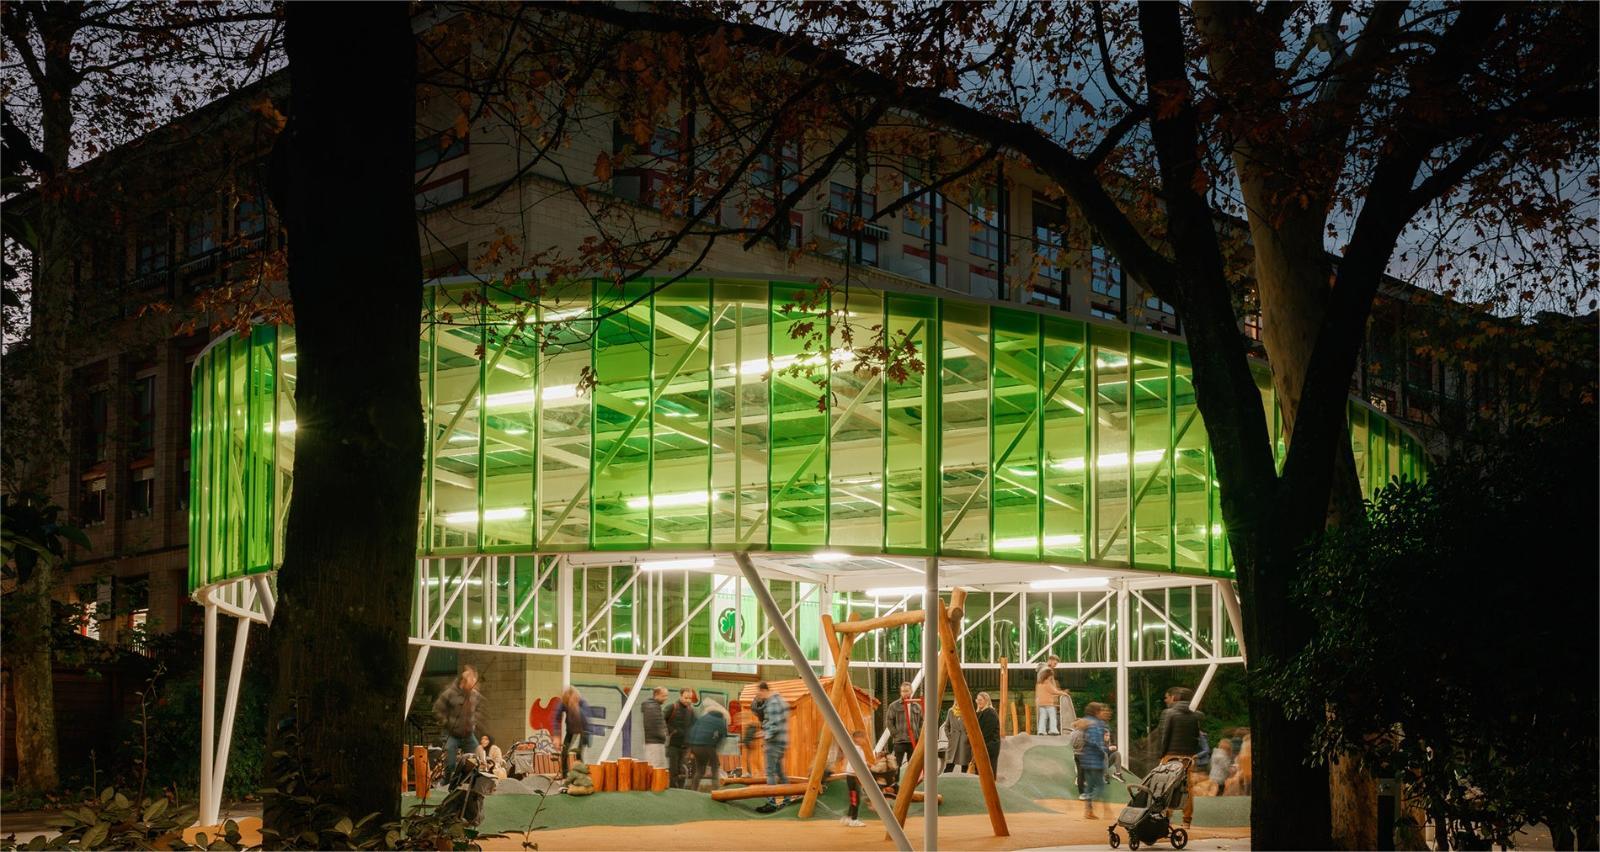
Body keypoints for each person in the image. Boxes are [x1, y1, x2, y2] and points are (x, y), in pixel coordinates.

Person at [1152, 685, 1205, 827]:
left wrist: (1161, 755)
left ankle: (1166, 817)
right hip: (1188, 758)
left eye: (1168, 697)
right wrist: (1192, 754)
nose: (1166, 700)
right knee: (1187, 787)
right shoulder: (1196, 715)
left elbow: (1165, 736)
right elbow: (1196, 737)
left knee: (1166, 785)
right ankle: (1187, 820)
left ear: (1175, 697)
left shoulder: (1169, 713)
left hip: (1171, 755)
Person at [432, 664, 482, 776]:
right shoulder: (450, 693)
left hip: (468, 734)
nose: (473, 687)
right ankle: (447, 781)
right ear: (463, 682)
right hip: (452, 734)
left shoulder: (474, 695)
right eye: (470, 684)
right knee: (450, 764)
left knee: (475, 760)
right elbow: (437, 710)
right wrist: (446, 722)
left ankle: (466, 781)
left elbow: (478, 709)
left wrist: (474, 721)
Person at [754, 681, 792, 813]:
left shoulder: (772, 703)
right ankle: (787, 800)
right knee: (780, 773)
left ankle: (771, 803)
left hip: (774, 742)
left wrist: (764, 734)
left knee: (770, 772)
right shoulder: (781, 701)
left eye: (759, 693)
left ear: (764, 690)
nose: (758, 696)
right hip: (782, 741)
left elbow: (774, 725)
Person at [828, 730, 875, 827]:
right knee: (856, 799)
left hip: (852, 776)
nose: (865, 740)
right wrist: (859, 776)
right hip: (854, 777)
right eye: (864, 738)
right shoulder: (856, 749)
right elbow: (856, 764)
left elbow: (861, 762)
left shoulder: (857, 749)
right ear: (857, 739)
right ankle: (854, 819)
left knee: (854, 798)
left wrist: (868, 765)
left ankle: (848, 818)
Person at [685, 699, 729, 792]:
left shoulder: (703, 718)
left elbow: (692, 731)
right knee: (715, 767)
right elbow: (722, 737)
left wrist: (691, 748)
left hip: (696, 746)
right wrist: (715, 749)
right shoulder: (721, 721)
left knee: (700, 770)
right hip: (708, 746)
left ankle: (694, 790)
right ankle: (716, 790)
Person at [551, 686, 593, 776]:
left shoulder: (582, 702)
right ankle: (564, 774)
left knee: (579, 753)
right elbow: (556, 718)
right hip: (571, 730)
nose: (569, 706)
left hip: (584, 730)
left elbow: (585, 721)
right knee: (564, 752)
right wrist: (556, 736)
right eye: (567, 704)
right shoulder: (564, 703)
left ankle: (582, 774)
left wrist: (575, 707)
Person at [1079, 701, 1111, 818]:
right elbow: (1095, 741)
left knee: (1090, 785)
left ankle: (1089, 810)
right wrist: (1104, 750)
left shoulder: (1087, 721)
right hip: (1095, 761)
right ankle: (1106, 810)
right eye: (1101, 710)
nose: (1104, 712)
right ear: (1096, 712)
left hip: (1086, 760)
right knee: (1100, 786)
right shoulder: (1096, 724)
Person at [664, 687, 697, 788]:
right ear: (681, 696)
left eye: (690, 698)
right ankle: (672, 790)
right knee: (673, 770)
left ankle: (681, 790)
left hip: (686, 746)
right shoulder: (672, 707)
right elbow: (661, 720)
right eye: (686, 698)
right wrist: (671, 731)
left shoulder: (691, 711)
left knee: (682, 770)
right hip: (673, 745)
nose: (688, 700)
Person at [885, 681, 922, 770]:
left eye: (906, 691)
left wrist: (919, 734)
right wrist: (895, 734)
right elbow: (889, 721)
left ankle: (911, 780)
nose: (904, 693)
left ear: (911, 691)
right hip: (900, 740)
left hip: (914, 740)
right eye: (903, 691)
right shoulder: (894, 706)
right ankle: (896, 779)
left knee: (913, 765)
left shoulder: (917, 706)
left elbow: (922, 721)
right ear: (900, 692)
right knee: (896, 765)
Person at [640, 686, 670, 771]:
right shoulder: (652, 707)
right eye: (664, 696)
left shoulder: (653, 706)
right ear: (656, 695)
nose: (666, 698)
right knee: (656, 768)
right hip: (654, 743)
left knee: (656, 767)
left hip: (655, 742)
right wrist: (664, 735)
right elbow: (654, 724)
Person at [1035, 665, 1068, 735]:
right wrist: (1064, 693)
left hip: (1041, 703)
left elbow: (1039, 693)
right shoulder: (1047, 683)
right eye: (1051, 676)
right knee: (1052, 716)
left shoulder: (1039, 684)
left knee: (1043, 717)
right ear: (1048, 676)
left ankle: (1041, 731)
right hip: (1048, 703)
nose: (1051, 678)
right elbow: (1054, 691)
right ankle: (1053, 730)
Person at [974, 691, 1002, 770]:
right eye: (977, 700)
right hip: (983, 746)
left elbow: (987, 732)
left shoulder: (990, 712)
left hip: (989, 747)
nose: (978, 702)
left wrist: (978, 743)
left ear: (986, 701)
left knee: (988, 770)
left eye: (980, 700)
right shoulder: (981, 712)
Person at [941, 704, 971, 774]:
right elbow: (946, 726)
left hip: (964, 742)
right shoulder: (951, 711)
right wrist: (950, 737)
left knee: (964, 766)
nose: (957, 702)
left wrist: (967, 737)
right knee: (949, 765)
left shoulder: (967, 711)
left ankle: (965, 780)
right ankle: (946, 779)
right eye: (956, 700)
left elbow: (971, 726)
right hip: (953, 741)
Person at [737, 700, 763, 778]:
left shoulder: (751, 726)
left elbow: (750, 736)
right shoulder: (748, 726)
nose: (741, 721)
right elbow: (747, 737)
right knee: (747, 759)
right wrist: (742, 742)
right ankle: (749, 773)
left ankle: (760, 772)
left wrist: (747, 741)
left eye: (741, 719)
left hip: (751, 745)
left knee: (753, 760)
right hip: (748, 745)